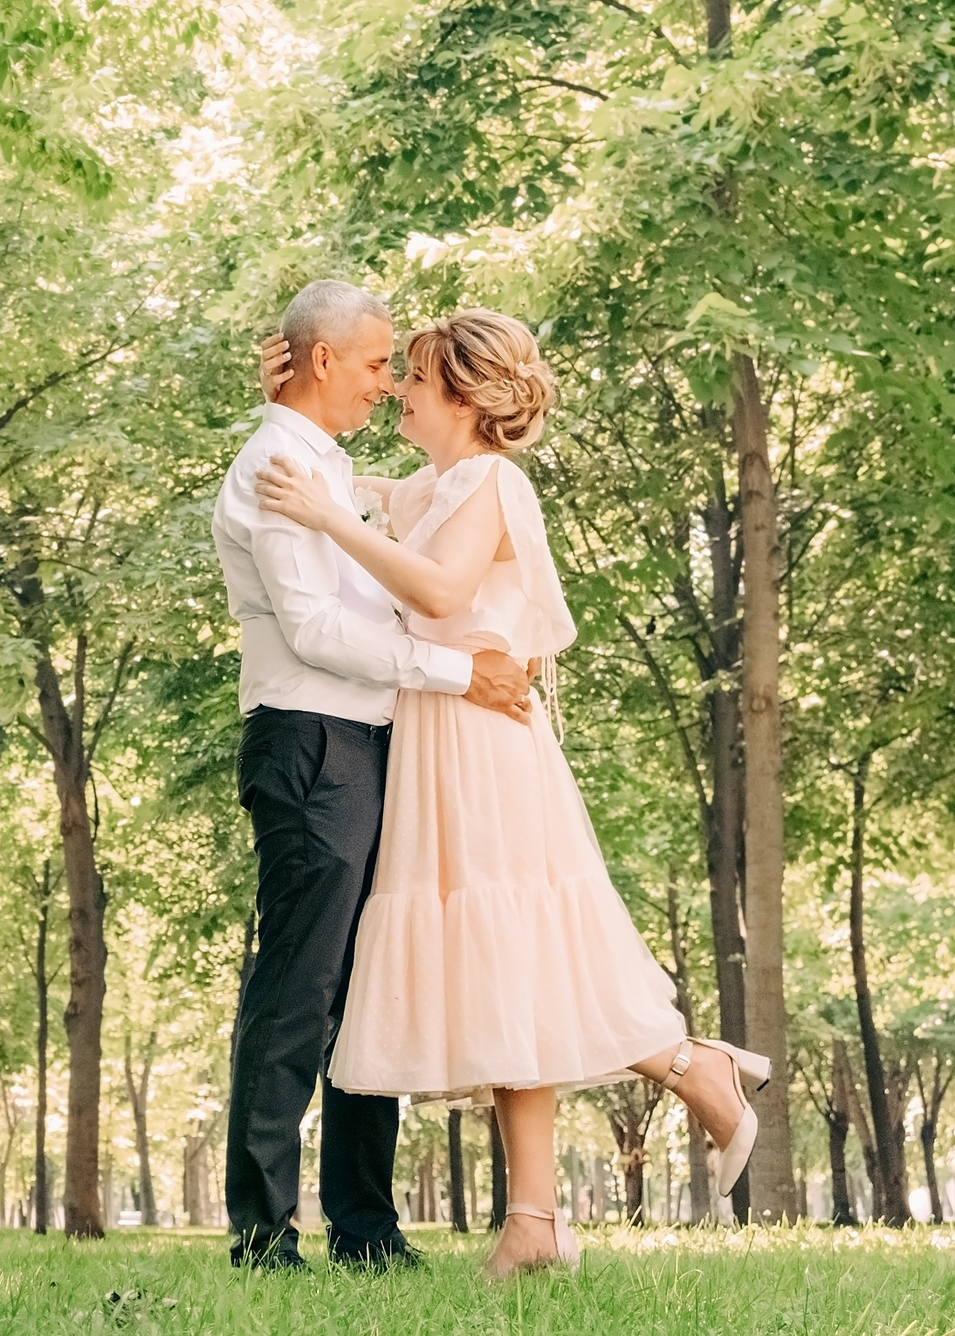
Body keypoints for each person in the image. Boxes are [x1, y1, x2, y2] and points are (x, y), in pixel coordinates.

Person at [254, 307, 771, 1277]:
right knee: (494, 972)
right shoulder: (437, 483)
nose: (397, 391)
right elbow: (337, 476)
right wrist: (287, 409)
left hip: (484, 741)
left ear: (459, 393)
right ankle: (533, 1222)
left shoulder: (490, 481)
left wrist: (327, 517)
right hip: (438, 736)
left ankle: (687, 1062)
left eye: (411, 376)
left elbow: (441, 593)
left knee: (515, 950)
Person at [211, 280, 536, 1272]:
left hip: (365, 740)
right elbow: (313, 630)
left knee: (369, 988)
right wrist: (454, 672)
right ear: (318, 362)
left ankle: (366, 1228)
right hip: (309, 740)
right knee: (299, 990)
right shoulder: (276, 465)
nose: (385, 381)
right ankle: (263, 1235)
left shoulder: (325, 463)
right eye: (368, 363)